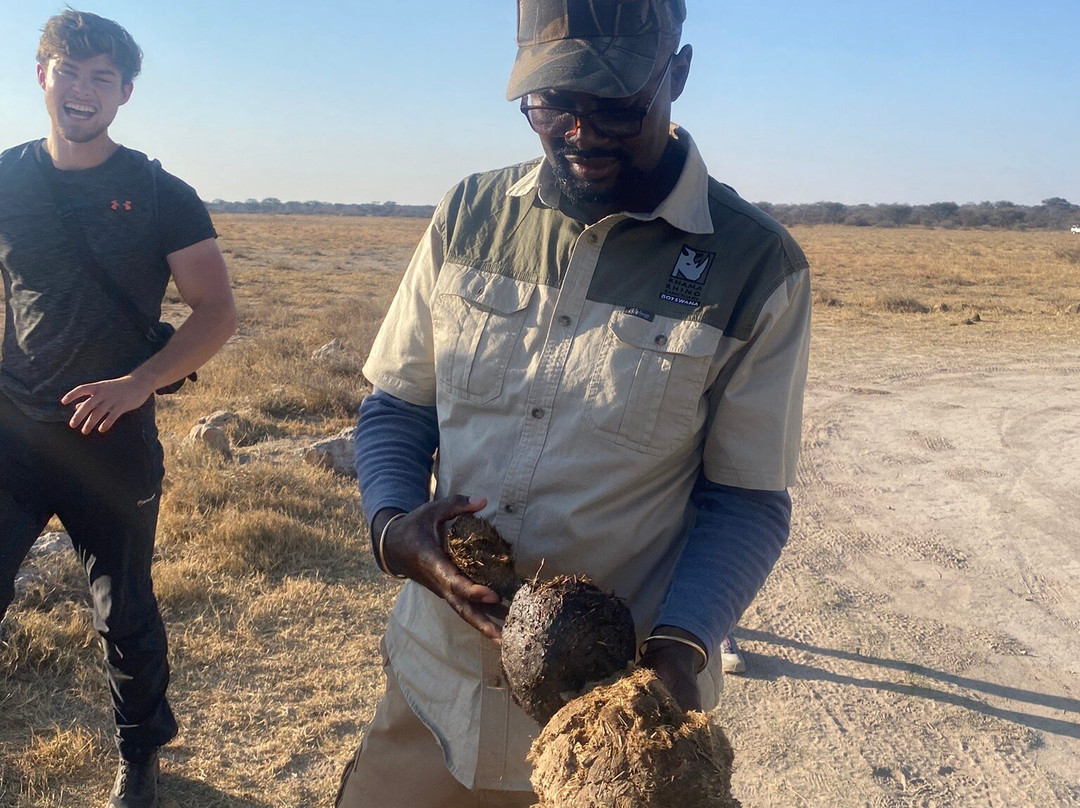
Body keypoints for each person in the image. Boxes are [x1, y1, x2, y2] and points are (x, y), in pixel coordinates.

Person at [337, 0, 810, 805]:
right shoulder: (469, 216)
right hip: (434, 686)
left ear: (679, 75)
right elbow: (398, 405)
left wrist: (678, 652)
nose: (580, 133)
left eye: (617, 104)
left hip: (604, 733)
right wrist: (392, 525)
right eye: (553, 103)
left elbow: (746, 501)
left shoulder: (756, 267)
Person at [0, 10, 236, 808]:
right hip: (15, 437)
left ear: (125, 93)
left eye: (104, 77)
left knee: (123, 610)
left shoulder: (161, 193)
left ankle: (141, 755)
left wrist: (139, 384)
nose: (84, 89)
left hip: (114, 440)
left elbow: (215, 312)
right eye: (70, 69)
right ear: (42, 76)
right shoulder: (5, 179)